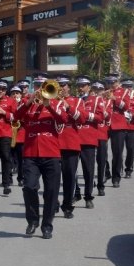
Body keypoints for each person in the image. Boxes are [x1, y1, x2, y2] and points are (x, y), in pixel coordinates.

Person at [15, 77, 69, 239]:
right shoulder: (28, 104)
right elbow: (16, 116)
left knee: (51, 191)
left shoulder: (57, 103)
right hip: (31, 153)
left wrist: (49, 105)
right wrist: (30, 101)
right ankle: (32, 221)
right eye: (37, 86)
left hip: (51, 153)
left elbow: (63, 120)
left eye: (42, 86)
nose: (40, 89)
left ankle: (47, 225)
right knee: (29, 187)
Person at [56, 74, 86, 217]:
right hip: (53, 143)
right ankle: (53, 203)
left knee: (69, 176)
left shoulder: (77, 101)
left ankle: (67, 206)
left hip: (70, 143)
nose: (61, 88)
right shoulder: (49, 101)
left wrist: (68, 107)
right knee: (52, 177)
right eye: (58, 86)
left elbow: (82, 118)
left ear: (68, 87)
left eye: (63, 85)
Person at [74, 75, 104, 212]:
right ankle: (76, 193)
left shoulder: (96, 100)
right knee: (71, 170)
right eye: (79, 86)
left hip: (88, 138)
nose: (81, 88)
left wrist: (86, 116)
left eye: (83, 85)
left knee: (88, 170)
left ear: (88, 86)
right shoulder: (73, 100)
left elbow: (100, 117)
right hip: (73, 138)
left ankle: (88, 196)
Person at [0, 79, 17, 195]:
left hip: (5, 133)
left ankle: (6, 184)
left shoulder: (11, 101)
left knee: (5, 158)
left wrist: (5, 113)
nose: (0, 91)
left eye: (3, 89)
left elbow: (16, 118)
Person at [106, 74, 133, 188]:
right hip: (105, 124)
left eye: (113, 82)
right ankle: (106, 172)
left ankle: (116, 177)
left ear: (117, 82)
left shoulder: (124, 92)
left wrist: (115, 99)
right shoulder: (105, 92)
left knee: (117, 153)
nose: (111, 85)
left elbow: (126, 106)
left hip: (118, 125)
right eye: (109, 82)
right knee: (100, 152)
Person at [92, 81, 112, 196]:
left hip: (101, 134)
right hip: (89, 134)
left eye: (99, 90)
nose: (97, 92)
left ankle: (100, 185)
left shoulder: (107, 102)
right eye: (95, 90)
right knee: (88, 162)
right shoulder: (88, 101)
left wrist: (101, 105)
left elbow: (108, 117)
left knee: (101, 160)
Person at [9, 85, 26, 187]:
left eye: (17, 93)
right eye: (13, 93)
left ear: (21, 94)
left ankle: (21, 178)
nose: (15, 95)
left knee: (21, 160)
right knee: (8, 159)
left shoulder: (24, 104)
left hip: (21, 135)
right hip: (9, 135)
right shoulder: (8, 104)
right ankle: (8, 178)